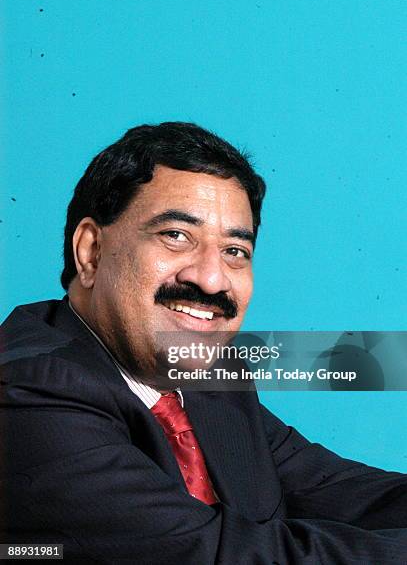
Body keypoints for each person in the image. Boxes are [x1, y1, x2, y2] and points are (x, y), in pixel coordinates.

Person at [1, 122, 406, 564]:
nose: (211, 279)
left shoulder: (205, 374)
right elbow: (224, 557)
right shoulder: (28, 391)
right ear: (91, 251)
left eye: (235, 250)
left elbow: (334, 489)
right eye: (176, 236)